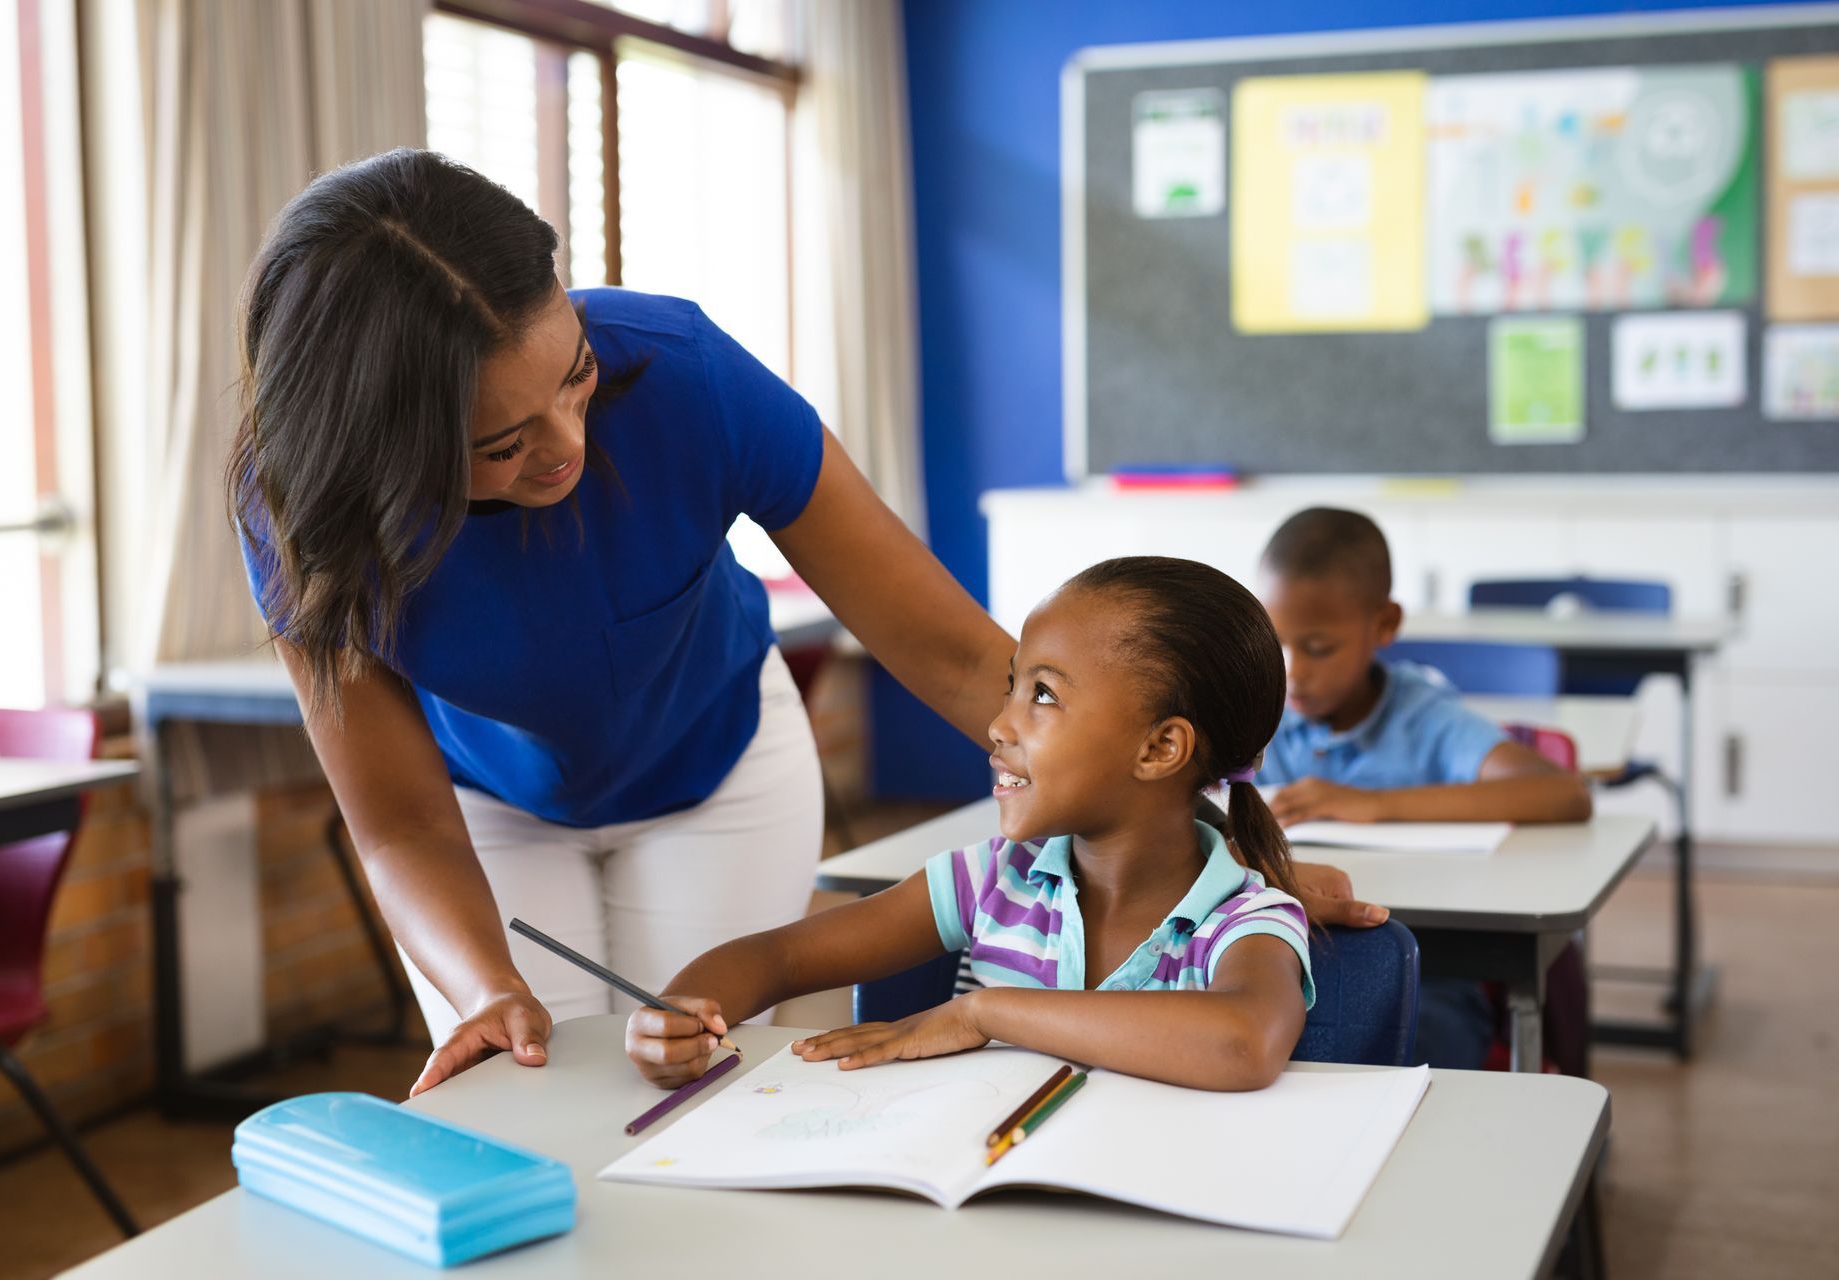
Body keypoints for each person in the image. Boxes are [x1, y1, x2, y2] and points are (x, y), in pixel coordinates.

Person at [230, 149, 1019, 1097]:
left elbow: (958, 653)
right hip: (484, 809)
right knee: (534, 1101)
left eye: (577, 374)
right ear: (382, 448)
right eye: (502, 443)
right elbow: (399, 825)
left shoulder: (685, 373)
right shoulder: (303, 512)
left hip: (718, 771)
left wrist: (1158, 790)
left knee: (692, 1097)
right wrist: (486, 988)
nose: (569, 443)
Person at [626, 557, 1314, 1093]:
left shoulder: (1243, 920)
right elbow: (777, 958)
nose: (999, 723)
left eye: (1042, 694)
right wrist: (683, 1014)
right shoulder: (990, 882)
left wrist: (985, 1013)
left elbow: (1242, 1043)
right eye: (1012, 684)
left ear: (1160, 748)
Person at [1253, 507, 1591, 1068]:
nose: (1293, 671)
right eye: (1275, 642)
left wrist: (1373, 805)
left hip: (1428, 969)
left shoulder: (1423, 717)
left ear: (1384, 625)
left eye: (1317, 647)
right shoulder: (1259, 710)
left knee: (1421, 1042)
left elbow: (1564, 794)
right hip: (1278, 958)